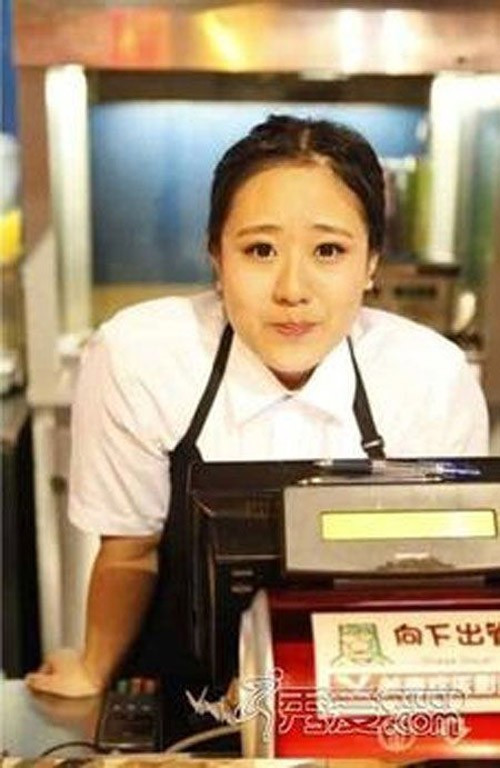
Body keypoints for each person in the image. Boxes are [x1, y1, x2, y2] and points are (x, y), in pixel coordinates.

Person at [26, 114, 489, 700]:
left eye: (329, 250)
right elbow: (129, 550)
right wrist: (94, 668)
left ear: (372, 261)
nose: (292, 289)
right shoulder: (139, 356)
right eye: (260, 249)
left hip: (366, 700)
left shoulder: (429, 376)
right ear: (216, 256)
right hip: (186, 703)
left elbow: (450, 579)